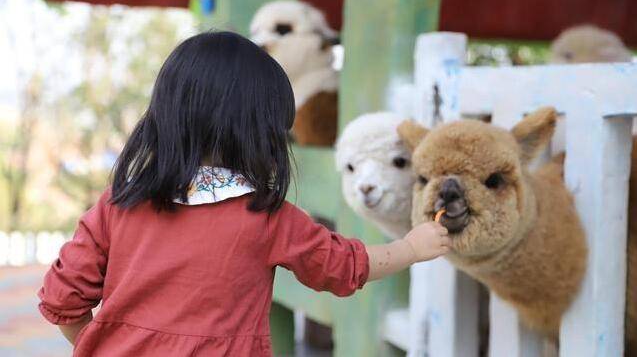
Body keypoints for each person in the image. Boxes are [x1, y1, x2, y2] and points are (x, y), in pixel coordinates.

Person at [38, 31, 449, 356]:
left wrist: (108, 346)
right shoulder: (266, 216)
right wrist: (412, 247)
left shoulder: (120, 203)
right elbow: (344, 266)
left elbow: (63, 299)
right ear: (256, 133)